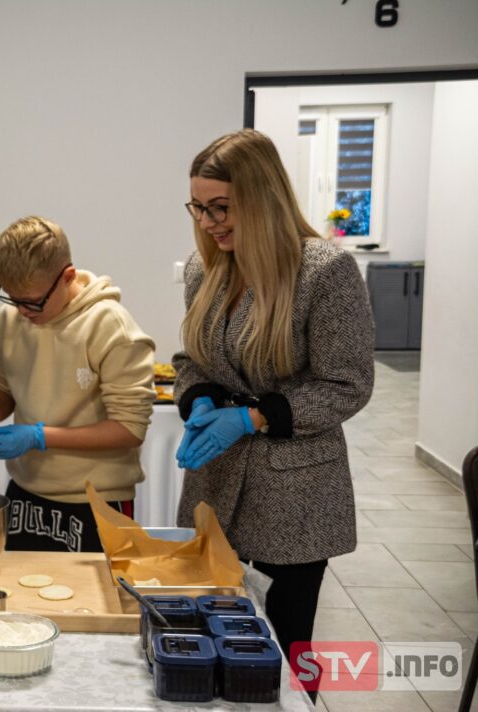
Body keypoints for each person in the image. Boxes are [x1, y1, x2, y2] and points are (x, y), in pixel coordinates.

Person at [172, 129, 374, 698]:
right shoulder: (203, 269)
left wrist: (255, 417)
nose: (209, 221)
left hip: (296, 501)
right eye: (199, 207)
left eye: (221, 207)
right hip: (215, 488)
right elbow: (189, 359)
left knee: (285, 658)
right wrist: (201, 398)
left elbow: (348, 384)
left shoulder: (323, 273)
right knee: (211, 640)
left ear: (261, 198)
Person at [0, 216, 156, 552]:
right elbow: (3, 385)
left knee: (95, 604)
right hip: (26, 490)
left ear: (66, 277)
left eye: (32, 302)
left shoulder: (109, 327)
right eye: (12, 298)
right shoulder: (9, 321)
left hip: (98, 500)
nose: (22, 311)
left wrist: (39, 437)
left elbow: (129, 428)